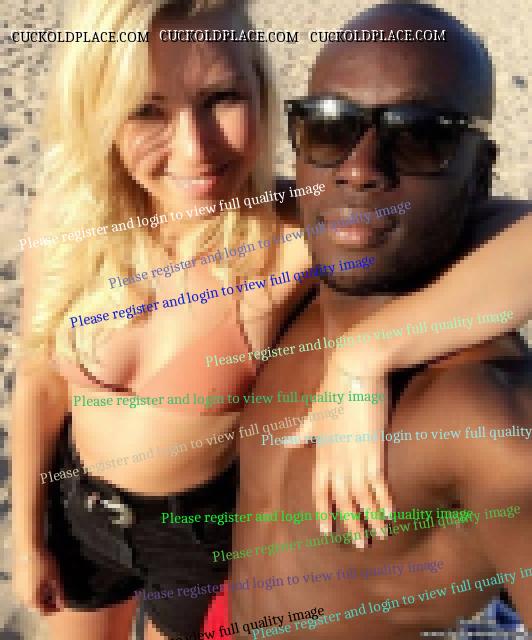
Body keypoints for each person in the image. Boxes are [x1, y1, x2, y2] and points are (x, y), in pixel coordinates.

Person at [11, 0, 531, 638]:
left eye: (221, 98)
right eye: (147, 109)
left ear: (261, 94)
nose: (195, 149)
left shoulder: (296, 233)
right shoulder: (71, 221)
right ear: (99, 110)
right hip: (79, 513)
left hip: (195, 542)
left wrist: (368, 354)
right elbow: (40, 383)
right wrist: (27, 537)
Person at [231, 2, 532, 638]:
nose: (359, 169)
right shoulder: (294, 286)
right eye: (328, 127)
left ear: (481, 171)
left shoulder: (486, 416)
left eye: (421, 137)